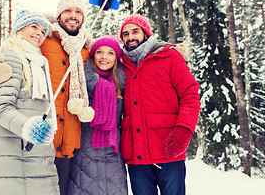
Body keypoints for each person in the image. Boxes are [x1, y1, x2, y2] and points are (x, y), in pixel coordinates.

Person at [0, 10, 59, 195]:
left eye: (43, 30)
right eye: (34, 26)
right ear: (19, 29)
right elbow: (1, 108)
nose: (39, 32)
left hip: (38, 155)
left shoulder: (38, 64)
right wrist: (28, 128)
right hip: (13, 153)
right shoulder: (13, 58)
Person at [119, 14, 201, 195]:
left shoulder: (169, 56)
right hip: (136, 156)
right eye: (125, 34)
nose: (130, 37)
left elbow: (190, 94)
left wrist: (184, 129)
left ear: (146, 34)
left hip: (168, 149)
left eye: (135, 31)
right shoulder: (121, 65)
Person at [40, 0, 94, 195]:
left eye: (78, 12)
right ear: (59, 15)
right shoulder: (44, 41)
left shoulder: (86, 50)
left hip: (68, 144)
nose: (73, 16)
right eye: (68, 11)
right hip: (42, 138)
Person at [67, 35, 128, 195]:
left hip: (113, 153)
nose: (104, 57)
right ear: (93, 55)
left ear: (116, 57)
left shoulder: (122, 84)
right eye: (99, 52)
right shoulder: (81, 82)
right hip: (85, 152)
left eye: (110, 53)